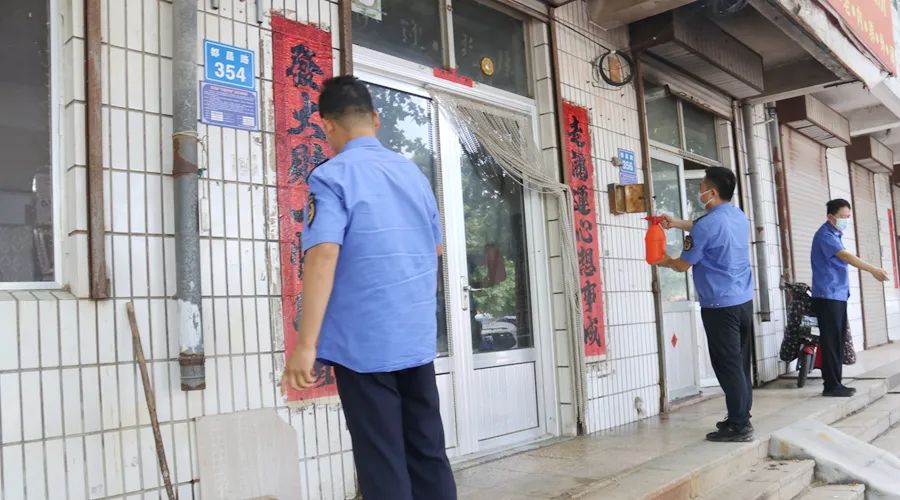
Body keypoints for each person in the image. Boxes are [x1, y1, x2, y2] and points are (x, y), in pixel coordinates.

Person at [282, 76, 456, 500]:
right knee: (428, 451)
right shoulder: (413, 174)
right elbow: (434, 248)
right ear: (376, 119)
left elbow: (323, 254)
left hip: (364, 348)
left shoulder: (331, 177)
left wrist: (305, 345)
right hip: (415, 339)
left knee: (382, 460)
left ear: (327, 125)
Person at [656, 167, 755, 442]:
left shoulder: (706, 226)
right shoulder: (738, 216)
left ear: (712, 192)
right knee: (739, 364)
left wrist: (663, 260)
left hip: (720, 306)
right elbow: (706, 229)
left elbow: (682, 264)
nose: (699, 191)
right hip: (743, 301)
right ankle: (740, 416)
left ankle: (739, 426)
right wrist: (677, 223)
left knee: (727, 365)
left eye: (701, 187)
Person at [811, 199, 889, 397]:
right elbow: (846, 256)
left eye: (848, 217)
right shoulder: (825, 235)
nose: (846, 220)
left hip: (836, 295)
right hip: (828, 295)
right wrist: (873, 269)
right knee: (831, 341)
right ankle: (831, 386)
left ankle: (836, 383)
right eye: (843, 217)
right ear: (831, 217)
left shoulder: (834, 234)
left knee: (837, 340)